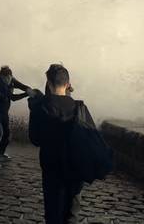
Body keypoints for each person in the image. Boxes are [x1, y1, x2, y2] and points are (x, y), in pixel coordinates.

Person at [29, 64, 91, 224]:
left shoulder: (40, 107)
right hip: (76, 169)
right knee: (72, 215)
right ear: (68, 84)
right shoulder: (79, 107)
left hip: (52, 169)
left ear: (49, 84)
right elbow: (91, 136)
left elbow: (35, 139)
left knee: (53, 214)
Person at [0, 66, 31, 165]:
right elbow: (13, 97)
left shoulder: (11, 80)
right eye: (5, 78)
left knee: (7, 134)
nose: (7, 80)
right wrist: (26, 94)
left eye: (9, 78)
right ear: (2, 76)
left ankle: (1, 153)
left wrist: (30, 90)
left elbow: (22, 86)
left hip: (4, 111)